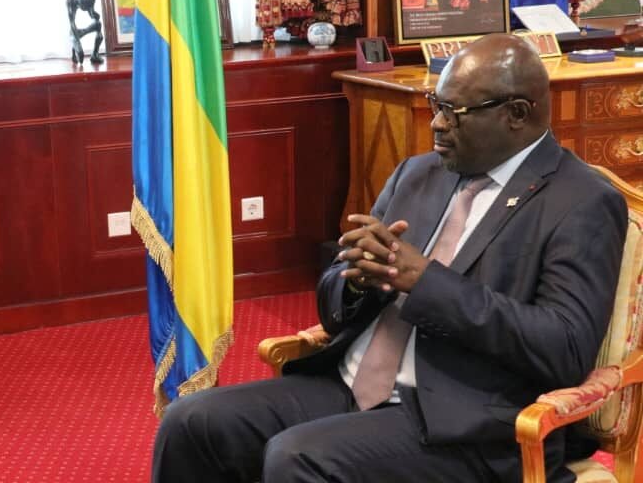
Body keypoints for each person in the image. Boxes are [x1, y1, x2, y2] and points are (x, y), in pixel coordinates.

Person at [152, 33, 627, 482]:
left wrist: (425, 282)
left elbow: (563, 347)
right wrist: (357, 282)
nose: (438, 123)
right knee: (191, 421)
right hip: (348, 383)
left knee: (296, 459)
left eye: (455, 112)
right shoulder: (418, 174)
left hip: (468, 421)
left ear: (517, 114)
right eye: (436, 105)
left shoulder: (579, 201)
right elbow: (336, 297)